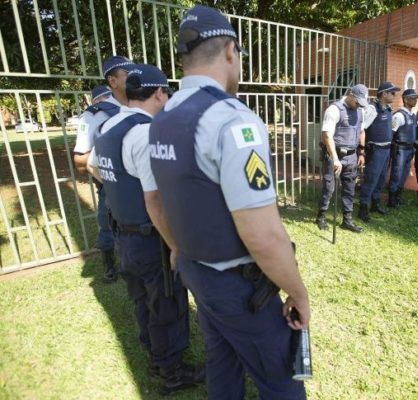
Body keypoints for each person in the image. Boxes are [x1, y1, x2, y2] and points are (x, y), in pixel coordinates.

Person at [148, 5, 310, 399]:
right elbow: (263, 235)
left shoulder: (160, 119)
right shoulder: (233, 120)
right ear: (230, 53)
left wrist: (177, 250)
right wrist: (299, 294)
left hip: (195, 272)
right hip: (239, 289)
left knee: (223, 366)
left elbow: (155, 200)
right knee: (280, 381)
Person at [89, 64, 203, 395]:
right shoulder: (147, 132)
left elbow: (96, 168)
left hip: (124, 234)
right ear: (158, 94)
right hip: (150, 238)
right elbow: (155, 200)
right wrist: (176, 246)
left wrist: (122, 192)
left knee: (142, 299)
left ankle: (154, 355)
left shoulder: (110, 123)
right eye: (166, 93)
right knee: (167, 302)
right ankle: (172, 371)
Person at [73, 55, 135, 282]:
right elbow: (81, 160)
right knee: (108, 223)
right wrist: (109, 170)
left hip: (141, 182)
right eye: (127, 74)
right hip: (113, 184)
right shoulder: (95, 115)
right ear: (113, 80)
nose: (134, 78)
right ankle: (109, 263)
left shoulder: (141, 105)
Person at [315, 84, 367, 232]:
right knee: (329, 188)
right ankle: (321, 216)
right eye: (357, 102)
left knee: (350, 188)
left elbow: (361, 131)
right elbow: (327, 136)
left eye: (361, 104)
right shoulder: (334, 109)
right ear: (351, 94)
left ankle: (347, 220)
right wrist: (335, 158)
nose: (358, 106)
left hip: (351, 156)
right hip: (334, 155)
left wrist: (361, 152)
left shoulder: (360, 111)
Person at [358, 81, 399, 222]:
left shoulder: (388, 108)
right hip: (375, 150)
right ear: (384, 94)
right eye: (392, 93)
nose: (395, 95)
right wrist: (362, 150)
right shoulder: (372, 109)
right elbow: (361, 128)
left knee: (381, 179)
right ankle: (363, 207)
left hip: (386, 150)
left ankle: (375, 203)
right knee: (371, 179)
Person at [388, 88, 418, 207]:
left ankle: (398, 196)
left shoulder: (412, 115)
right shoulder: (399, 116)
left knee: (404, 173)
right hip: (400, 149)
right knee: (397, 173)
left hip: (409, 149)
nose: (415, 101)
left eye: (416, 98)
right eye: (413, 98)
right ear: (406, 100)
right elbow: (391, 132)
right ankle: (391, 200)